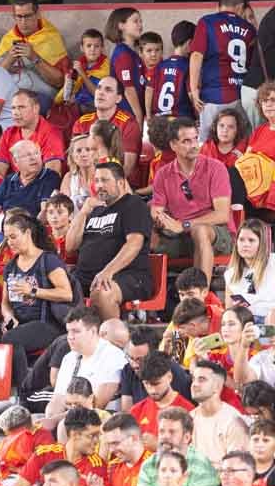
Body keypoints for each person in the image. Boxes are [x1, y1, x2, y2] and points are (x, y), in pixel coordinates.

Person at [149, 117, 233, 285]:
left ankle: (199, 295)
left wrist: (185, 224)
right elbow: (156, 209)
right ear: (173, 145)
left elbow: (222, 215)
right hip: (178, 236)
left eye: (196, 139)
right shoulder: (163, 174)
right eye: (186, 141)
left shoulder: (216, 168)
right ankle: (147, 300)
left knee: (199, 231)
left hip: (216, 233)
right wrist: (160, 220)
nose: (194, 145)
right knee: (141, 235)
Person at [66, 161, 153, 320]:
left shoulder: (133, 205)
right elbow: (70, 246)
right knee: (51, 287)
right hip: (85, 277)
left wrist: (108, 271)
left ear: (120, 182)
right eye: (96, 180)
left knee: (102, 291)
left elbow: (134, 243)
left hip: (128, 276)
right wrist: (84, 212)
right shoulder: (95, 211)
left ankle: (111, 342)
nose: (99, 185)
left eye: (104, 180)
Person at [190, 0, 257, 142]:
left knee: (208, 150)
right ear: (240, 7)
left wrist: (193, 88)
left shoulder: (207, 22)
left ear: (218, 6)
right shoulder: (250, 30)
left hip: (214, 95)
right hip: (240, 96)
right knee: (240, 148)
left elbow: (196, 55)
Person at [0, 0, 70, 113]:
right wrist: (8, 60)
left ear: (37, 14)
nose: (23, 22)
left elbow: (60, 82)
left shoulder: (50, 37)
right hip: (11, 96)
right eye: (19, 17)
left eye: (27, 16)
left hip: (40, 96)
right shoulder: (8, 38)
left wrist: (34, 58)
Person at [44, 306, 127, 421]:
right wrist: (49, 419)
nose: (70, 337)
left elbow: (96, 406)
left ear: (93, 331)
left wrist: (55, 421)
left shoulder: (112, 356)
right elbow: (57, 399)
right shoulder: (69, 358)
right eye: (68, 331)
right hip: (71, 417)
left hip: (104, 420)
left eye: (76, 331)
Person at [136, 407, 219, 486]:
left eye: (172, 432)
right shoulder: (148, 464)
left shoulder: (201, 466)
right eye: (162, 431)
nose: (165, 436)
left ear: (187, 437)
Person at [72, 77, 143, 182]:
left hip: (120, 184)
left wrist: (102, 185)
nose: (101, 93)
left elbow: (128, 167)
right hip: (87, 182)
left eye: (108, 90)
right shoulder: (81, 123)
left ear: (118, 98)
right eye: (99, 88)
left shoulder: (128, 123)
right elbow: (74, 161)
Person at [0, 140, 62, 226]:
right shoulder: (9, 180)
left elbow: (45, 212)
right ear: (15, 161)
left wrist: (27, 232)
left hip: (31, 232)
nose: (33, 158)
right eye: (27, 155)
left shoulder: (50, 177)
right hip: (8, 232)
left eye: (36, 153)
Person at [188, 358, 248, 466]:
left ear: (217, 386)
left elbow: (236, 467)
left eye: (201, 379)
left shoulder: (233, 421)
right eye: (193, 379)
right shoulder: (189, 418)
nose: (194, 384)